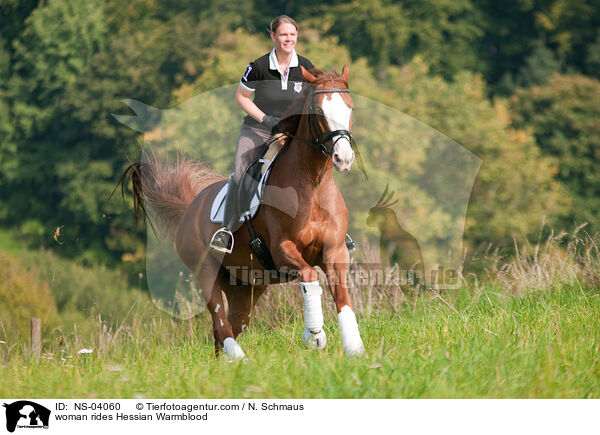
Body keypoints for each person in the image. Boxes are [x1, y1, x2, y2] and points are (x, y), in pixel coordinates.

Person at [209, 15, 315, 254]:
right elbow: (241, 98)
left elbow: (314, 100)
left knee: (317, 167)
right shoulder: (257, 66)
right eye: (283, 35)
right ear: (273, 36)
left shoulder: (306, 66)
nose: (288, 39)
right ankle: (226, 232)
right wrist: (267, 120)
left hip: (292, 134)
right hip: (258, 128)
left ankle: (331, 227)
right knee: (240, 172)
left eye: (292, 34)